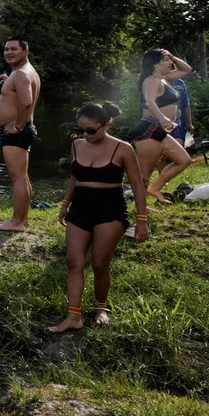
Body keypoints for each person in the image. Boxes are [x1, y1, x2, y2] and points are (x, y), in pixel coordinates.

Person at [48, 102, 150, 332]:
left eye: (90, 130)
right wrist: (65, 203)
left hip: (110, 209)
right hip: (81, 206)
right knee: (73, 261)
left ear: (106, 125)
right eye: (80, 130)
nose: (85, 135)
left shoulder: (123, 148)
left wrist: (142, 220)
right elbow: (74, 177)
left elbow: (136, 185)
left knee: (99, 263)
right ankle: (73, 316)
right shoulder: (76, 145)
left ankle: (100, 308)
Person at [127, 49, 193, 205]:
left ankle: (154, 188)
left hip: (161, 131)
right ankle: (141, 210)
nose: (170, 63)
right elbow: (150, 102)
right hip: (149, 130)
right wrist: (162, 117)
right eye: (166, 60)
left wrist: (173, 57)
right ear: (155, 64)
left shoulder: (164, 78)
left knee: (184, 160)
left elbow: (187, 69)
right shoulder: (151, 80)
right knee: (145, 174)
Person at [0, 37, 41, 232]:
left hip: (17, 132)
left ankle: (17, 222)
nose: (8, 52)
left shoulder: (20, 74)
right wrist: (8, 83)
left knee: (18, 178)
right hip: (21, 131)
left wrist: (18, 126)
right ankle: (23, 219)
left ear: (26, 51)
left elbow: (26, 101)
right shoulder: (20, 73)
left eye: (14, 49)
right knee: (23, 177)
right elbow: (18, 95)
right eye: (6, 49)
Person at [169, 77, 195, 147]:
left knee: (179, 148)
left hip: (179, 123)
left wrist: (189, 123)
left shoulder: (180, 83)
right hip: (165, 123)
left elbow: (186, 104)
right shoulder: (157, 82)